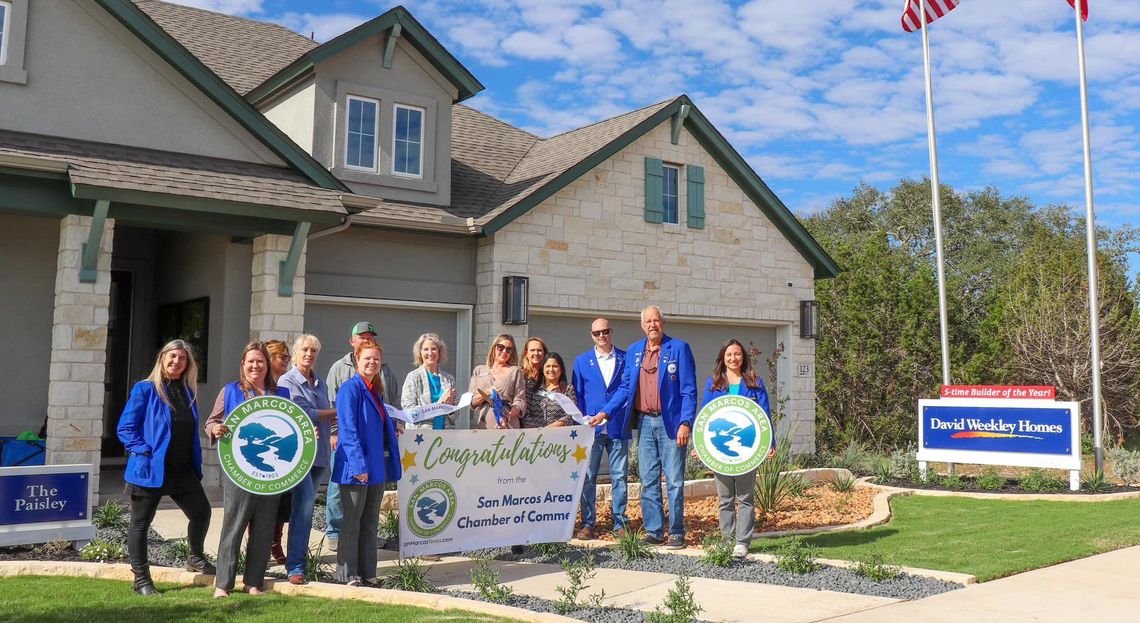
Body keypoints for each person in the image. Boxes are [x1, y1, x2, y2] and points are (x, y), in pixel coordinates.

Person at [116, 340, 214, 596]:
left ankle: (195, 557)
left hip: (183, 471)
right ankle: (141, 581)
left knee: (202, 513)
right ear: (162, 358)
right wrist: (144, 449)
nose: (176, 362)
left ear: (187, 364)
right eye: (172, 357)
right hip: (150, 470)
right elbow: (125, 428)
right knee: (140, 524)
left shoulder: (187, 392)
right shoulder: (145, 389)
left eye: (182, 359)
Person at [594, 306, 696, 549]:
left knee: (674, 480)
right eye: (648, 321)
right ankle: (654, 531)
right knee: (648, 479)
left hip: (670, 423)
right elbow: (625, 389)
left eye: (656, 320)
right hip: (644, 422)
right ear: (642, 326)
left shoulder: (679, 348)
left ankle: (677, 532)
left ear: (663, 323)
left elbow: (688, 391)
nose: (653, 325)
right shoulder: (634, 351)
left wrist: (685, 422)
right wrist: (606, 411)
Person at [204, 341, 289, 598]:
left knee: (264, 528)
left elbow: (289, 427)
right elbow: (211, 421)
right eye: (250, 361)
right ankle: (223, 584)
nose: (255, 365)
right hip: (239, 471)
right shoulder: (230, 391)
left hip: (271, 472)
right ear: (243, 365)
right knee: (234, 526)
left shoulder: (281, 394)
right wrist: (215, 430)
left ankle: (253, 582)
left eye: (260, 361)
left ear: (267, 364)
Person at [325, 321, 400, 552]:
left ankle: (365, 562)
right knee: (341, 493)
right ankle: (335, 535)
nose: (372, 361)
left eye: (371, 337)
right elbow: (335, 408)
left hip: (374, 451)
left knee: (367, 514)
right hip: (351, 451)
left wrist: (395, 424)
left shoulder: (383, 371)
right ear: (353, 343)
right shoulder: (342, 371)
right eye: (362, 337)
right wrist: (335, 433)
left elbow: (392, 403)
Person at [701, 339, 771, 559]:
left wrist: (770, 444)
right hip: (720, 450)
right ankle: (727, 540)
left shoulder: (754, 383)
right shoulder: (713, 384)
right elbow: (704, 416)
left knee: (745, 497)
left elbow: (765, 416)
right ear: (723, 358)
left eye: (738, 354)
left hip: (747, 449)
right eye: (729, 354)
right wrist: (700, 446)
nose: (733, 358)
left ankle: (742, 542)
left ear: (744, 357)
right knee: (725, 499)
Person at [277, 334, 336, 585]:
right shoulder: (287, 380)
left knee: (305, 509)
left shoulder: (320, 382)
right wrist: (337, 411)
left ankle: (297, 560)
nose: (309, 354)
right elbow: (304, 413)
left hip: (320, 454)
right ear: (295, 352)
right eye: (305, 350)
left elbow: (323, 415)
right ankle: (296, 566)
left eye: (314, 350)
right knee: (303, 508)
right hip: (299, 455)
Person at [572, 318, 630, 541]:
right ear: (591, 335)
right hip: (591, 429)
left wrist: (607, 412)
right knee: (588, 477)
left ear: (611, 333)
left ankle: (620, 522)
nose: (602, 336)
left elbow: (626, 390)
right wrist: (582, 423)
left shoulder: (626, 359)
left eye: (605, 332)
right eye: (597, 333)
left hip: (617, 426)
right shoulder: (582, 361)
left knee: (619, 476)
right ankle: (588, 523)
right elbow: (578, 394)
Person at [263, 339, 291, 566]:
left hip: (280, 455)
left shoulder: (283, 390)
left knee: (281, 504)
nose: (286, 360)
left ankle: (275, 544)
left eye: (287, 357)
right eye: (282, 357)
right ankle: (259, 547)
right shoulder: (252, 388)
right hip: (260, 454)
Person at [401, 333, 459, 430]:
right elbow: (409, 411)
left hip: (446, 436)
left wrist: (450, 407)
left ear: (439, 352)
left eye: (433, 349)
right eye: (426, 349)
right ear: (420, 353)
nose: (430, 353)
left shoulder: (449, 379)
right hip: (420, 437)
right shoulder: (413, 377)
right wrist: (438, 405)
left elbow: (455, 415)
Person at [468, 334, 527, 429]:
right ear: (494, 348)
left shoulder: (515, 371)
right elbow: (472, 401)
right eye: (501, 347)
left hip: (508, 423)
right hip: (485, 424)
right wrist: (488, 392)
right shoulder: (479, 370)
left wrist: (507, 417)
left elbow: (520, 400)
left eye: (509, 350)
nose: (504, 352)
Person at [526, 352, 577, 428]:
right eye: (548, 366)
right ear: (542, 369)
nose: (551, 369)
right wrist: (540, 430)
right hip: (536, 436)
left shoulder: (568, 389)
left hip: (560, 435)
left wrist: (550, 428)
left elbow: (570, 414)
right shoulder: (532, 388)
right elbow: (526, 414)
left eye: (555, 366)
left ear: (561, 369)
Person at [520, 337, 548, 427]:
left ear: (544, 353)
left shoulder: (549, 375)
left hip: (547, 426)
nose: (536, 353)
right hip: (523, 426)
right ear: (526, 353)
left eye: (539, 350)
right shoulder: (520, 375)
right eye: (532, 350)